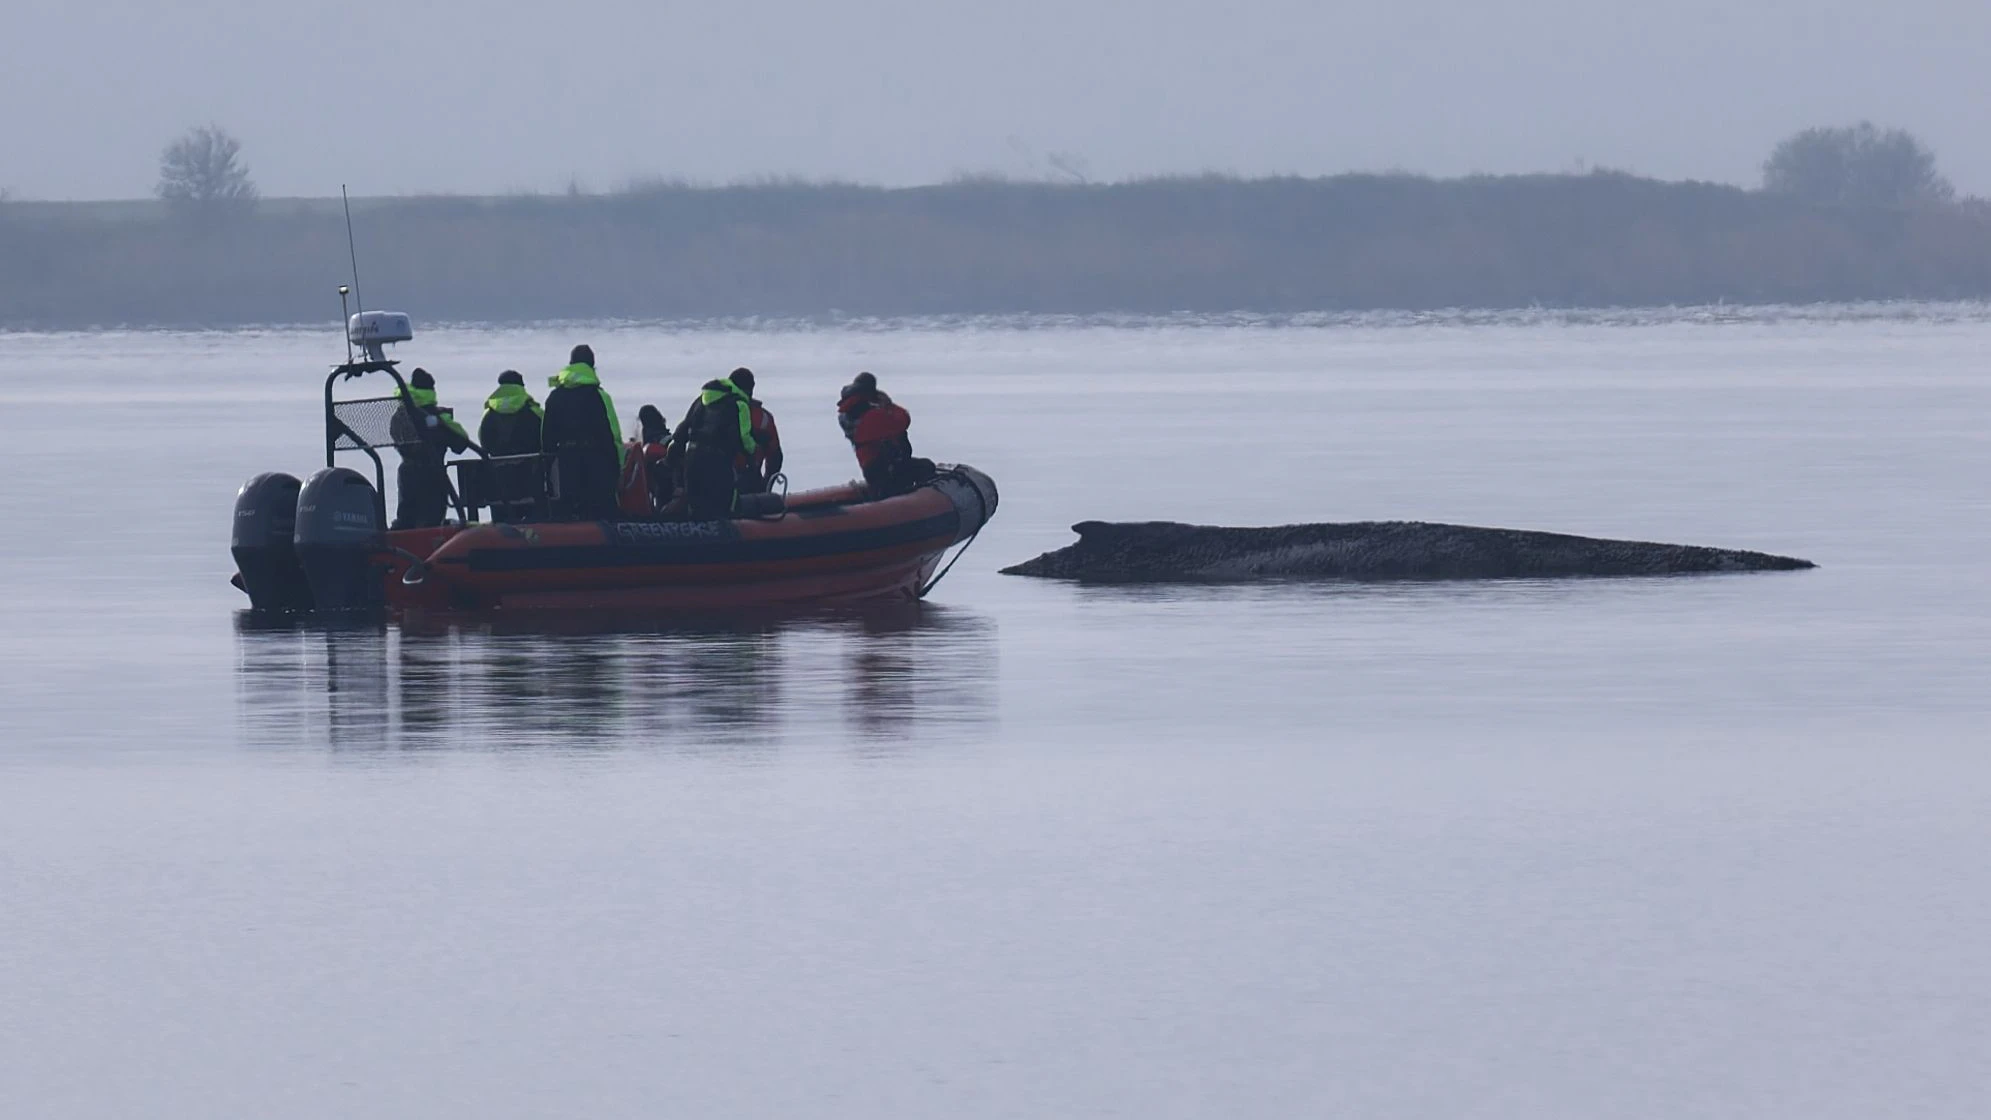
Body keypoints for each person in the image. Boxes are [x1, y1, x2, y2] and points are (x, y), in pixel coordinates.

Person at [542, 344, 623, 520]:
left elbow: (546, 436)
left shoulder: (554, 396)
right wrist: (617, 466)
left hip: (565, 462)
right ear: (592, 366)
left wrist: (548, 468)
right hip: (595, 462)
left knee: (566, 514)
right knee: (602, 513)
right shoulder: (597, 395)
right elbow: (609, 434)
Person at [388, 367, 472, 529]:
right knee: (432, 519)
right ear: (431, 390)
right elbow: (461, 443)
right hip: (432, 473)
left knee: (406, 516)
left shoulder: (399, 415)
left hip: (406, 472)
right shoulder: (437, 417)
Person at [670, 368, 756, 520]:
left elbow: (681, 431)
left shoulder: (701, 400)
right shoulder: (739, 404)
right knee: (723, 510)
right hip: (717, 464)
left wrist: (670, 458)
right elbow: (745, 438)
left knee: (697, 510)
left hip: (692, 461)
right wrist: (753, 453)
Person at [837, 371, 931, 495]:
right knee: (927, 467)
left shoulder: (847, 416)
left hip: (870, 467)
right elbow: (903, 420)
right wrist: (888, 404)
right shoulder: (872, 416)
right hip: (885, 468)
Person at [477, 370, 543, 522]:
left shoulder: (488, 414)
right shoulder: (535, 412)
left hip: (499, 483)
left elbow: (484, 443)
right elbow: (546, 438)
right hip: (530, 481)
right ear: (521, 386)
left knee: (501, 524)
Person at [730, 369, 784, 495]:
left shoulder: (716, 412)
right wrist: (767, 484)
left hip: (720, 481)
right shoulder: (764, 417)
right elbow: (775, 456)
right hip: (751, 481)